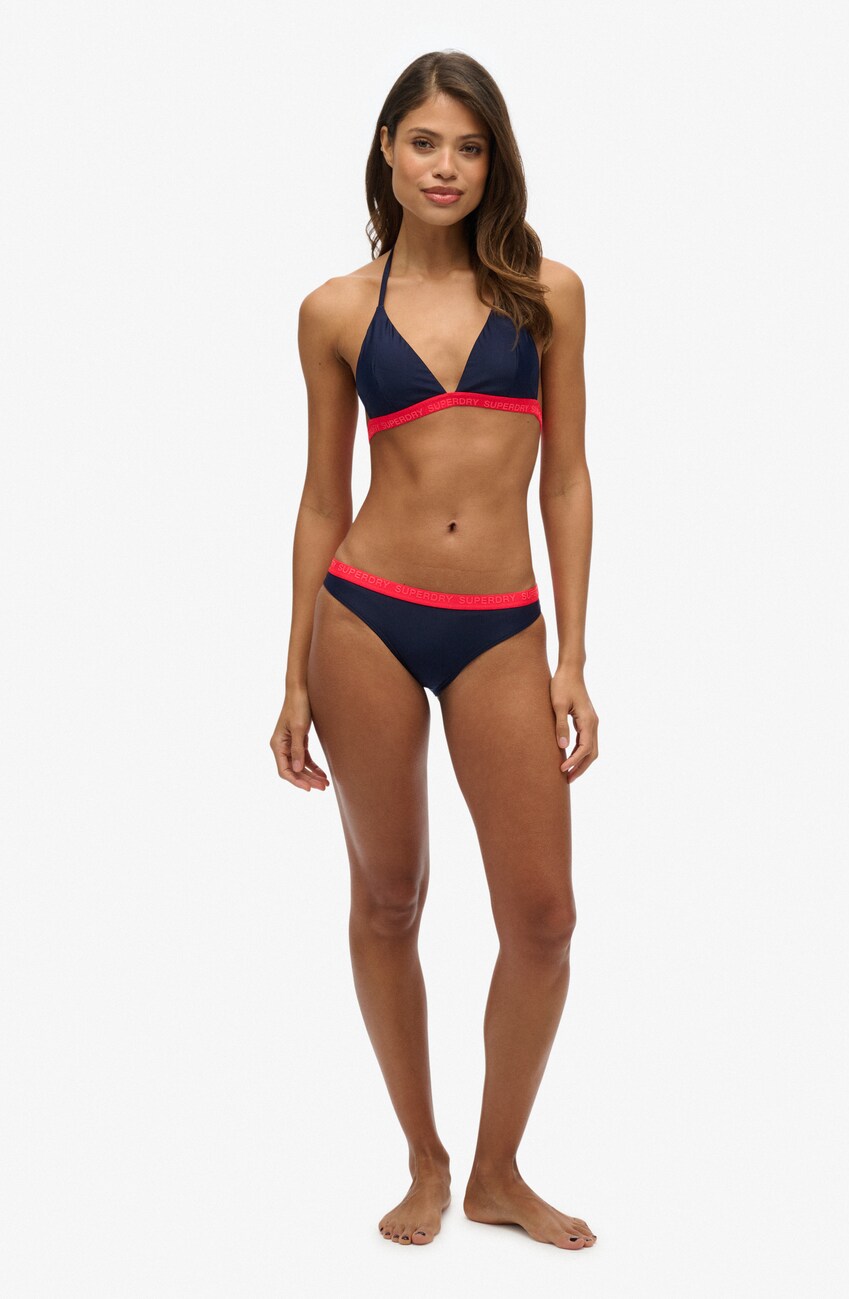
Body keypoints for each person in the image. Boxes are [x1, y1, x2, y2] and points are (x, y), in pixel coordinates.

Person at [270, 50, 599, 1250]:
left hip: (501, 626)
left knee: (544, 919)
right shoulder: (335, 311)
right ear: (388, 151)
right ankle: (425, 1155)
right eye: (424, 142)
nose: (445, 166)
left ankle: (499, 1171)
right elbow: (322, 498)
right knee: (389, 897)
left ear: (494, 160)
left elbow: (566, 480)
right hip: (364, 615)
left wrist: (571, 655)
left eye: (468, 146)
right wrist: (292, 674)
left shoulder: (548, 295)